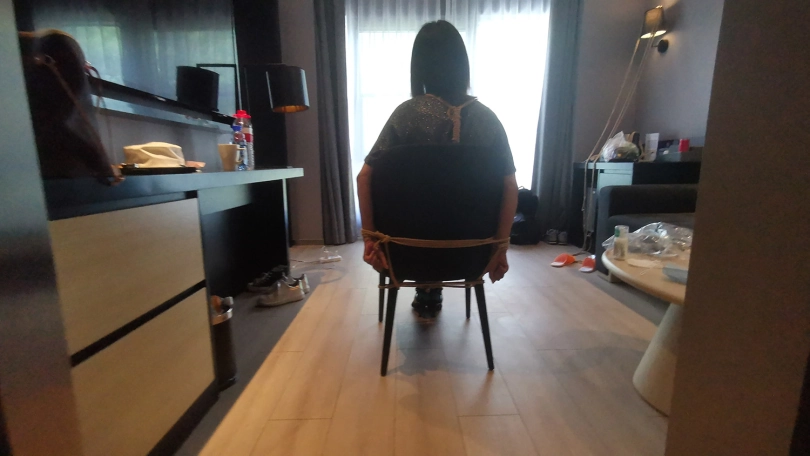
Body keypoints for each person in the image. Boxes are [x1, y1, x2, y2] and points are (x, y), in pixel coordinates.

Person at [356, 20, 519, 317]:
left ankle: (426, 286)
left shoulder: (405, 115)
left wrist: (370, 238)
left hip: (407, 250)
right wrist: (500, 247)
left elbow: (364, 177)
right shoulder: (488, 119)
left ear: (418, 67)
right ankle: (433, 286)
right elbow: (509, 186)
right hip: (471, 254)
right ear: (462, 64)